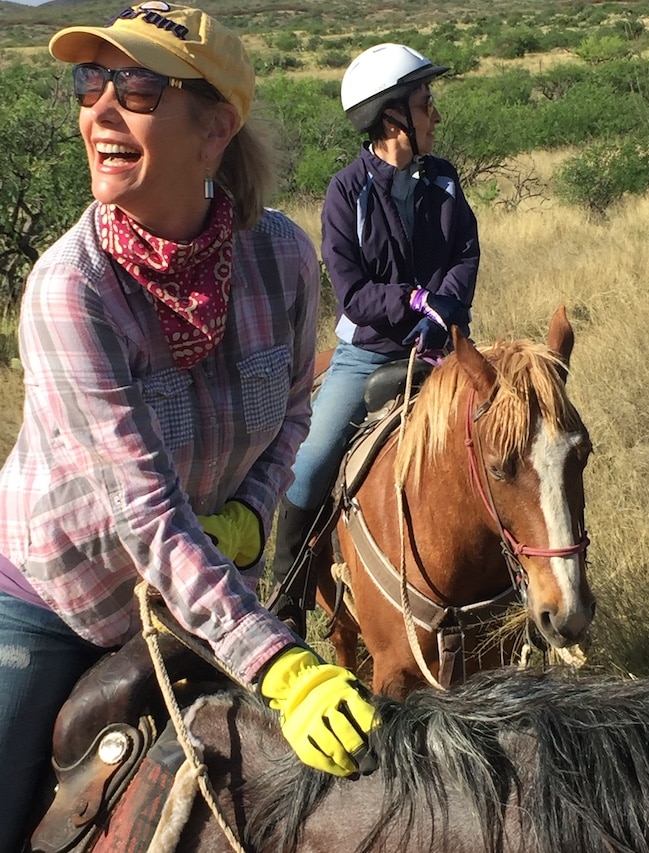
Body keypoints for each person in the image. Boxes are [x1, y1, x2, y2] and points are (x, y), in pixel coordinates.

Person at [0, 5, 377, 849]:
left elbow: (289, 409)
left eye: (135, 85)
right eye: (88, 81)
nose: (98, 106)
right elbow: (146, 515)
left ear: (215, 130)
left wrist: (249, 510)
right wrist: (279, 664)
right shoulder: (72, 291)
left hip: (203, 588)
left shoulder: (280, 255)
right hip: (58, 601)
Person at [269, 43, 480, 635]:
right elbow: (353, 291)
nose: (435, 114)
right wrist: (408, 302)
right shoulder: (345, 193)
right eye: (424, 103)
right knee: (307, 470)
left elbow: (465, 252)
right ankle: (286, 602)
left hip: (443, 343)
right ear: (392, 118)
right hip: (368, 351)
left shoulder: (445, 179)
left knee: (505, 442)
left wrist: (441, 313)